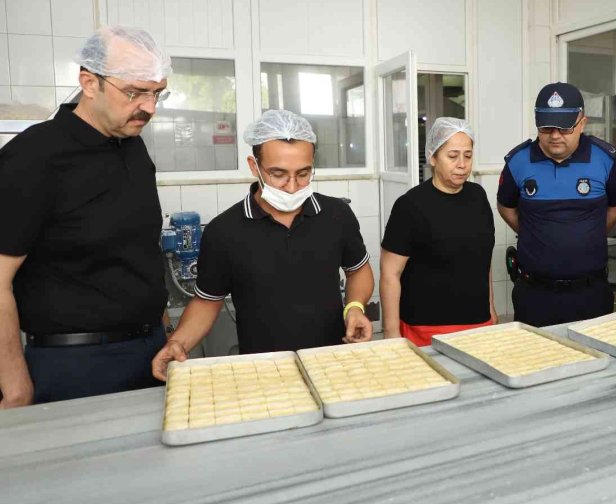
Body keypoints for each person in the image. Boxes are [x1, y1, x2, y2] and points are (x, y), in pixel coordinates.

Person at [0, 26, 172, 406]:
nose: (149, 107)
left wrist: (166, 333)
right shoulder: (35, 156)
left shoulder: (132, 148)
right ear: (89, 83)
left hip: (148, 354)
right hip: (74, 364)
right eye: (135, 93)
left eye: (157, 93)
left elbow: (138, 253)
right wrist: (15, 388)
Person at [151, 110, 373, 379]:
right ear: (254, 166)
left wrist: (355, 308)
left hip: (333, 360)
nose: (292, 187)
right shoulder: (225, 232)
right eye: (278, 174)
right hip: (262, 369)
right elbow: (207, 302)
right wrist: (178, 343)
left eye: (303, 173)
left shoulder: (336, 215)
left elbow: (357, 271)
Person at [497, 82, 616, 326]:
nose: (555, 135)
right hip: (534, 294)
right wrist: (534, 235)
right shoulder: (518, 161)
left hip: (590, 294)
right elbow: (505, 206)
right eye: (547, 127)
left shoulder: (604, 159)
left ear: (582, 123)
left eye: (565, 127)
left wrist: (591, 234)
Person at [380, 118, 496, 346]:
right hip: (426, 328)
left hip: (477, 323)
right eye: (452, 156)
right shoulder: (411, 205)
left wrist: (490, 307)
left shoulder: (478, 197)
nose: (462, 164)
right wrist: (391, 333)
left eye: (468, 155)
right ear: (433, 157)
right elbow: (389, 273)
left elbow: (484, 259)